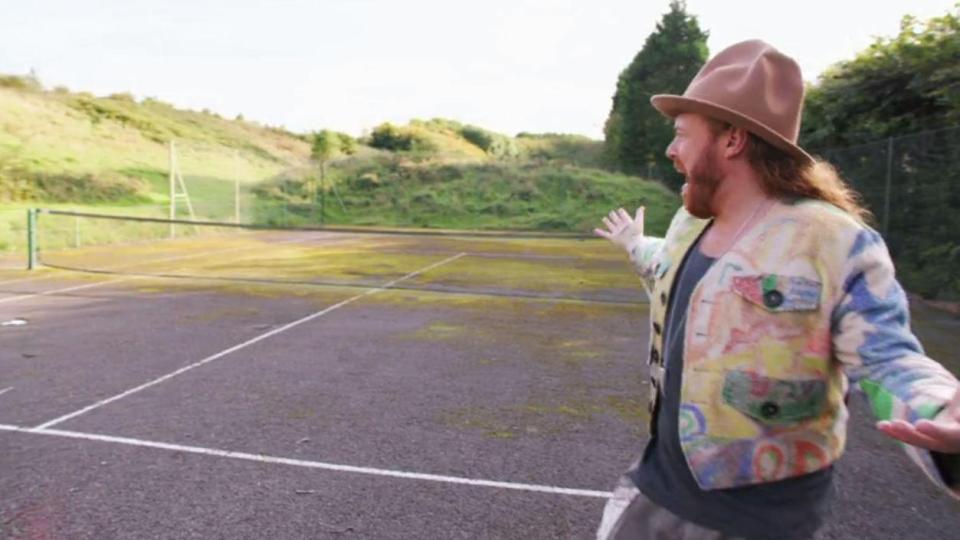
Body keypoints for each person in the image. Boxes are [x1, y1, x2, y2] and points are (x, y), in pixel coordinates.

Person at [593, 40, 960, 540]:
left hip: (755, 523)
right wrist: (635, 243)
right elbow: (665, 269)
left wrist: (941, 409)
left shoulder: (833, 241)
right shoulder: (688, 224)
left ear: (732, 141)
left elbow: (887, 358)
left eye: (681, 135)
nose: (670, 150)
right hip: (655, 490)